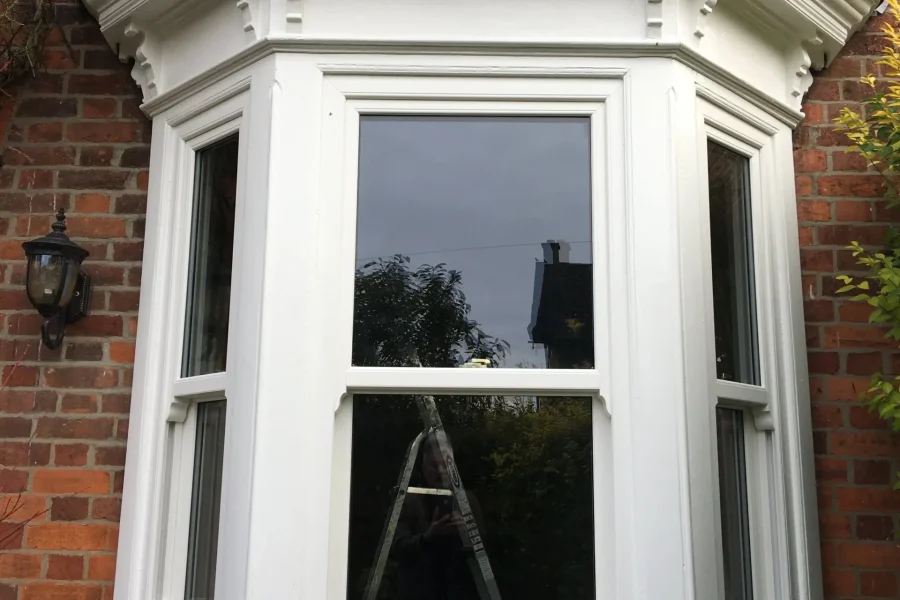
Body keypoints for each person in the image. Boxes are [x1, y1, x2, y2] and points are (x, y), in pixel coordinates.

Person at [390, 435, 486, 600]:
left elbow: (485, 549)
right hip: (420, 592)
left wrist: (469, 534)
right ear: (424, 467)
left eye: (446, 464)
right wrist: (428, 537)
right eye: (434, 465)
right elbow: (396, 548)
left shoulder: (467, 500)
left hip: (458, 591)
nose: (441, 471)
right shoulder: (409, 500)